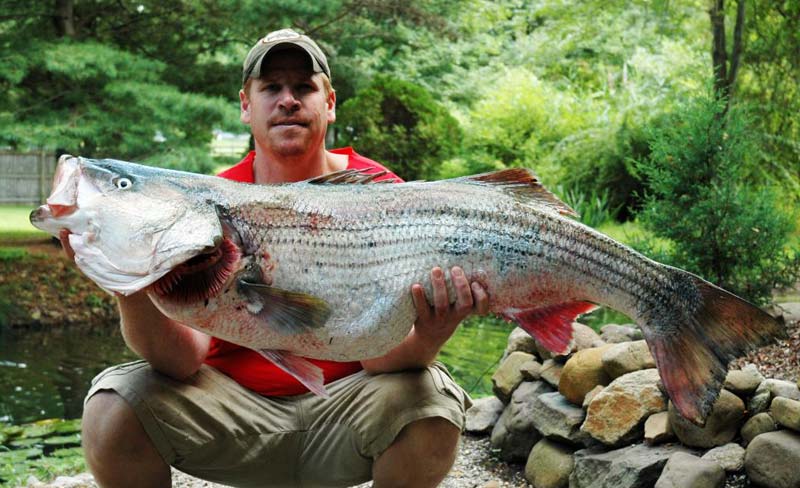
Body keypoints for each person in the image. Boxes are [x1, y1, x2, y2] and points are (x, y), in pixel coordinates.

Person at [68, 28, 489, 488]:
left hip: (347, 415)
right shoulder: (202, 208)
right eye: (271, 88)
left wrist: (432, 331)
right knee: (112, 406)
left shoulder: (381, 193)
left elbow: (381, 361)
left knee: (430, 401)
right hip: (233, 422)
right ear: (246, 106)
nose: (287, 100)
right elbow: (182, 361)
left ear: (329, 102)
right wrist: (130, 288)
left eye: (303, 87)